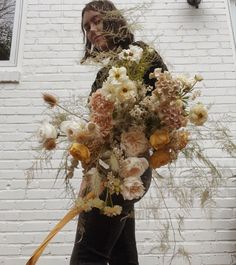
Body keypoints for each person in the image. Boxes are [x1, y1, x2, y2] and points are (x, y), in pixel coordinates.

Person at [70, 1, 168, 265]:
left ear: (114, 18)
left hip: (128, 167)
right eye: (86, 26)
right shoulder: (102, 75)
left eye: (96, 20)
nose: (92, 29)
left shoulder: (142, 54)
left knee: (87, 255)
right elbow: (96, 129)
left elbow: (168, 102)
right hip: (102, 169)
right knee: (121, 256)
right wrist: (89, 170)